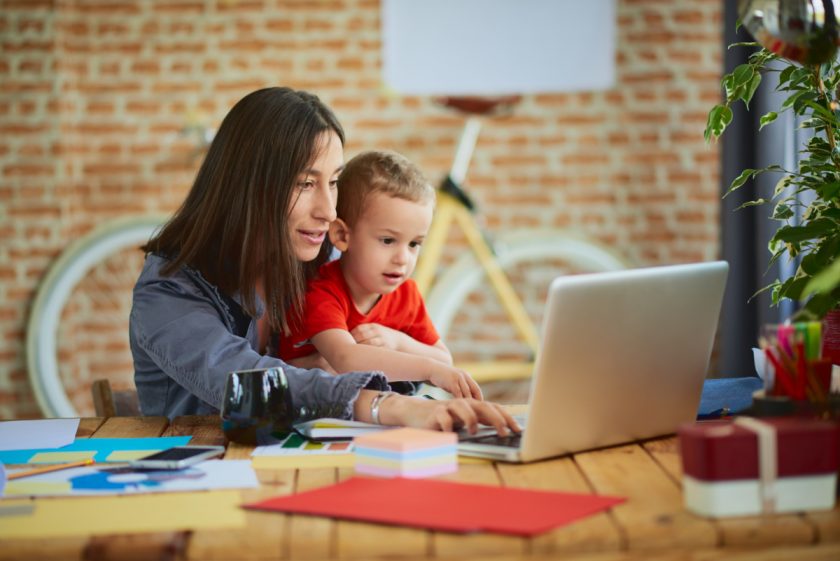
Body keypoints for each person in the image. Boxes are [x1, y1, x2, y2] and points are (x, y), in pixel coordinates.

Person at [129, 87, 517, 435]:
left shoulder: (325, 260)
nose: (329, 211)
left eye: (333, 182)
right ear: (251, 187)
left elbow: (389, 357)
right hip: (199, 470)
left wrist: (417, 391)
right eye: (305, 183)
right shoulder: (169, 289)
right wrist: (383, 403)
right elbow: (243, 382)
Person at [278, 150, 482, 399]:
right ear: (342, 235)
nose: (403, 258)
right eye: (388, 240)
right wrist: (428, 369)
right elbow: (346, 358)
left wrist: (398, 342)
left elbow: (443, 359)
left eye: (414, 244)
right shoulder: (321, 292)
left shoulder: (407, 295)